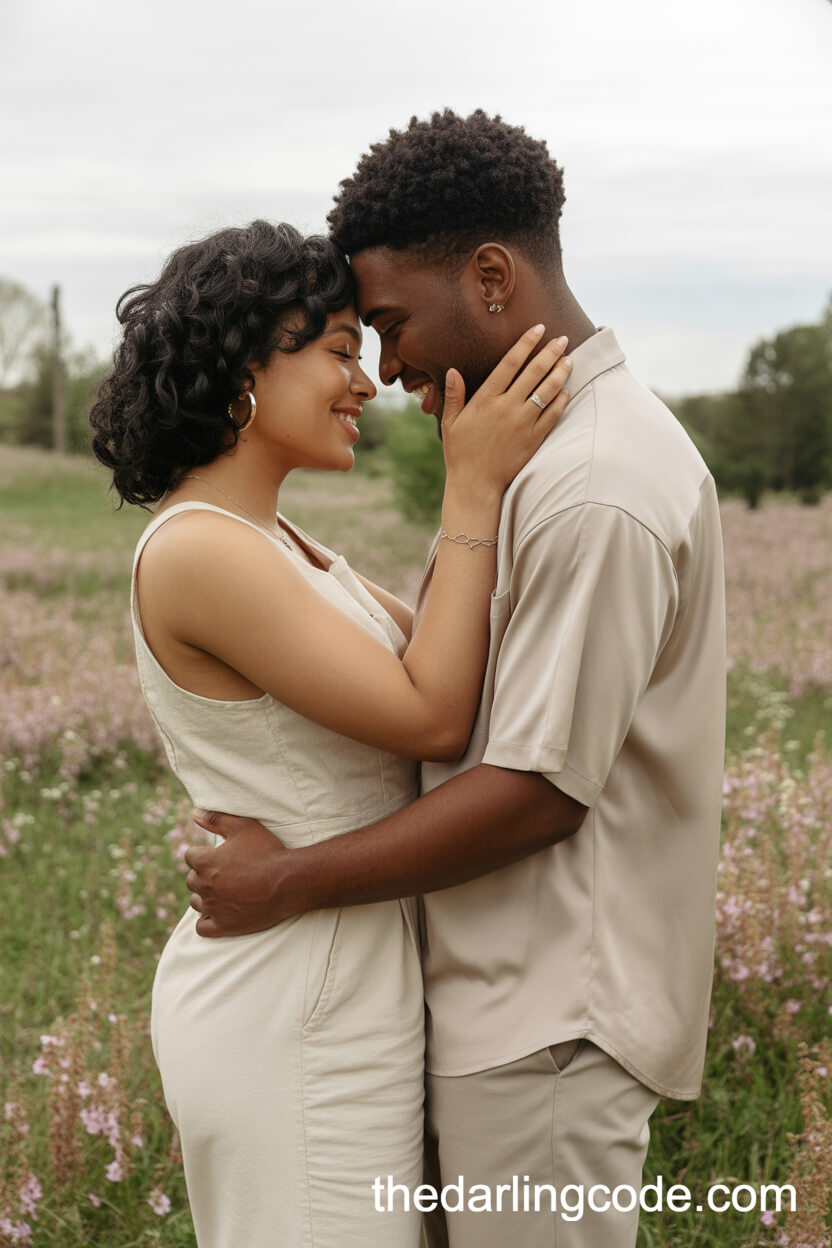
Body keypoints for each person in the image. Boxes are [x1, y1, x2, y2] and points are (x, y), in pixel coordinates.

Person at [186, 111, 727, 1248]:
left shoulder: (592, 485)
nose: (387, 371)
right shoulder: (532, 456)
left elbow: (538, 788)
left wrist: (286, 883)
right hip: (496, 1010)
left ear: (490, 277)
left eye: (387, 324)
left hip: (544, 1028)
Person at [89, 218, 571, 1248]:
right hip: (288, 997)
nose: (367, 381)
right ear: (244, 365)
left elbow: (457, 665)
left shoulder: (278, 541)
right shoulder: (200, 554)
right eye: (341, 351)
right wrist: (472, 482)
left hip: (347, 970)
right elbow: (432, 712)